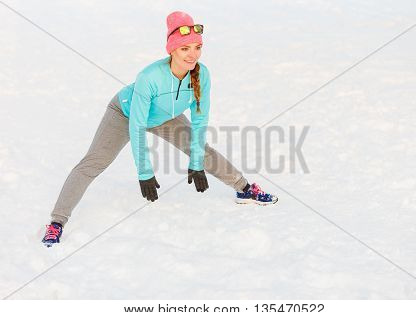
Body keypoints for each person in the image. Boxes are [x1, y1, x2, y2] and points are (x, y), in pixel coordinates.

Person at [42, 11, 277, 247]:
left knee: (202, 151)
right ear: (172, 50)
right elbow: (137, 125)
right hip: (125, 114)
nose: (192, 54)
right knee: (94, 162)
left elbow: (199, 119)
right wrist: (144, 172)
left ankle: (244, 189)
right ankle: (57, 222)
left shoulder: (202, 74)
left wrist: (196, 162)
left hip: (167, 117)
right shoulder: (150, 76)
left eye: (197, 47)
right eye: (185, 49)